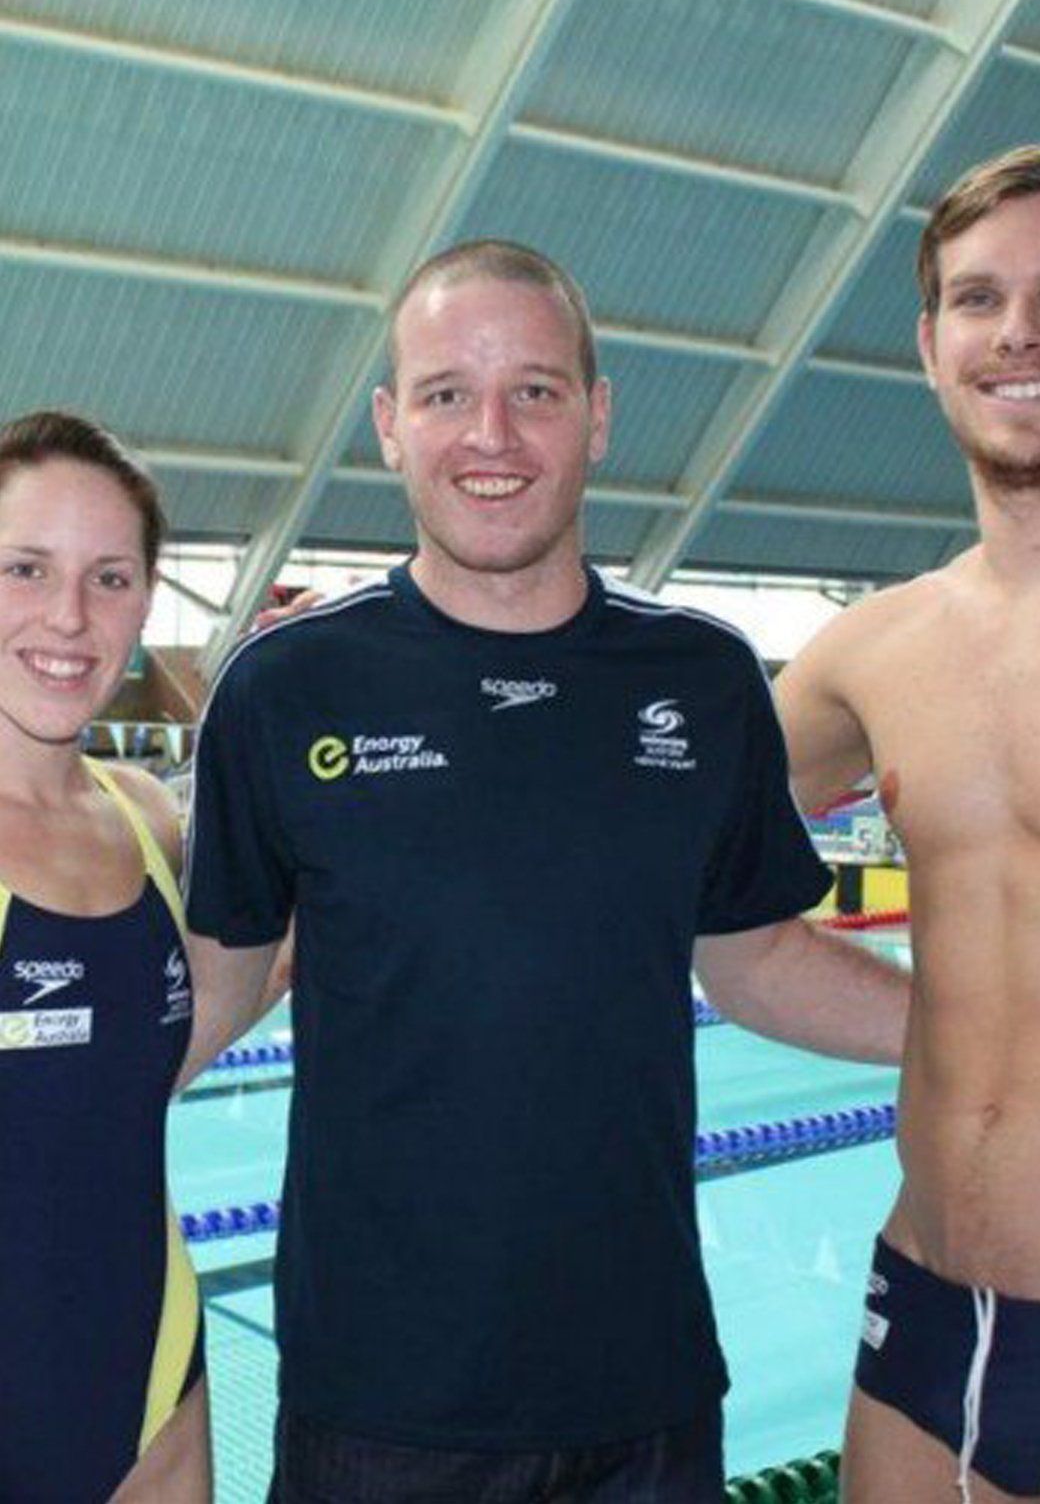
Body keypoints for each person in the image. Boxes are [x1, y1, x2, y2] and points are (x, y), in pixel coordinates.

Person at [184, 240, 909, 1504]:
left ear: (598, 414)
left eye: (535, 389)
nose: (493, 435)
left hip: (640, 1391)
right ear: (386, 426)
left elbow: (752, 961)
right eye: (446, 393)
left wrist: (991, 1021)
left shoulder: (700, 679)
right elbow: (218, 984)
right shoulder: (285, 686)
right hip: (378, 1403)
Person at [776, 146, 1040, 1504]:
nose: (1020, 334)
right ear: (931, 342)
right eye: (981, 299)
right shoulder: (872, 655)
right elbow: (647, 823)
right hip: (927, 1294)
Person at [0, 411, 210, 1502]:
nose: (68, 619)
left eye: (111, 578)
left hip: (155, 1395)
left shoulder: (147, 819)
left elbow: (174, 1025)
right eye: (24, 568)